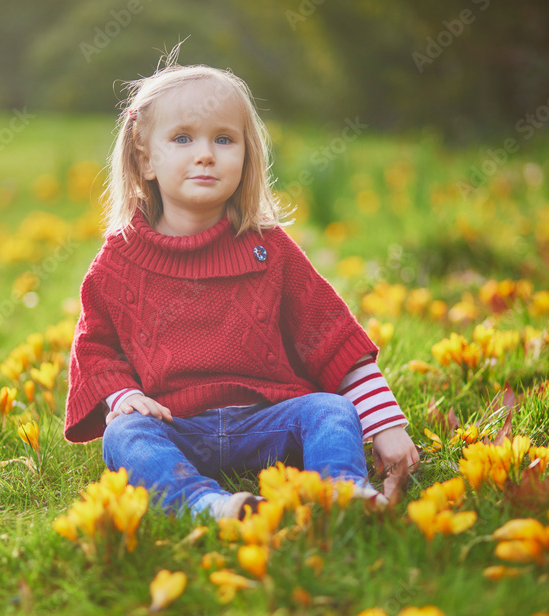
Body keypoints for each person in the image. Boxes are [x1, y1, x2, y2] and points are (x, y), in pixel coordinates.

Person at [64, 48, 420, 519]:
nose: (206, 155)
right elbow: (97, 348)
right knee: (124, 436)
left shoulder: (268, 249)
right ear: (145, 159)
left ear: (247, 154)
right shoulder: (119, 261)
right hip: (175, 424)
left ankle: (342, 492)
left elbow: (331, 337)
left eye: (225, 140)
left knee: (331, 411)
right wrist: (124, 396)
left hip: (269, 419)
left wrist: (387, 423)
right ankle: (208, 505)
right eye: (184, 138)